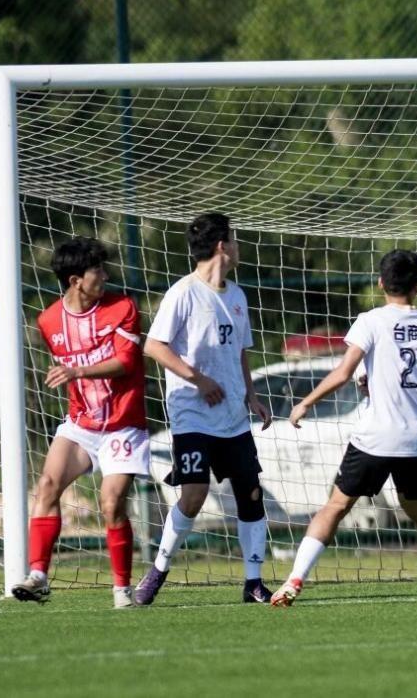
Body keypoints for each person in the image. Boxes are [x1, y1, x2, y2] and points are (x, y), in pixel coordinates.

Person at [270, 249, 417, 605]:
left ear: (380, 283)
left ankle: (294, 580)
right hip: (415, 435)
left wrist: (306, 402)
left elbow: (344, 372)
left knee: (335, 506)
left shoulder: (371, 321)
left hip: (376, 434)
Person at [134, 212, 274, 604]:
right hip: (192, 414)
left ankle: (253, 582)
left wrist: (251, 395)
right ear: (222, 245)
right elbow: (154, 346)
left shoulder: (237, 295)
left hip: (233, 418)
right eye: (235, 239)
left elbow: (240, 351)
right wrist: (199, 380)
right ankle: (158, 570)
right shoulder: (183, 292)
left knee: (251, 493)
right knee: (194, 495)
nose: (239, 247)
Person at [11, 238, 148, 608]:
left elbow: (126, 362)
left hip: (123, 424)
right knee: (47, 485)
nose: (105, 275)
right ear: (75, 281)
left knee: (111, 503)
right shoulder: (48, 320)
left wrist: (77, 371)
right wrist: (70, 375)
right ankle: (38, 576)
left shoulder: (122, 307)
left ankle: (122, 589)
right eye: (97, 270)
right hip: (81, 424)